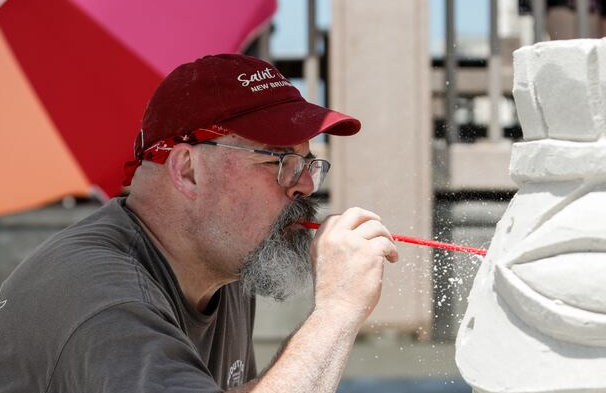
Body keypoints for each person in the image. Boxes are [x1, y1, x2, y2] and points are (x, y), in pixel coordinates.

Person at [0, 54, 398, 392]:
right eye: (279, 161)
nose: (306, 185)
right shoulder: (102, 297)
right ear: (188, 170)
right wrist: (337, 310)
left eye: (308, 163)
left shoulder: (228, 265)